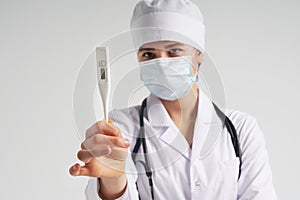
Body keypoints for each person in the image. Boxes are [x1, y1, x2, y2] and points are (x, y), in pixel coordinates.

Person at [69, 0, 277, 199]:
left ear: (198, 54)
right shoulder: (120, 128)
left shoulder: (240, 129)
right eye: (149, 55)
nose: (161, 63)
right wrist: (113, 181)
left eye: (174, 51)